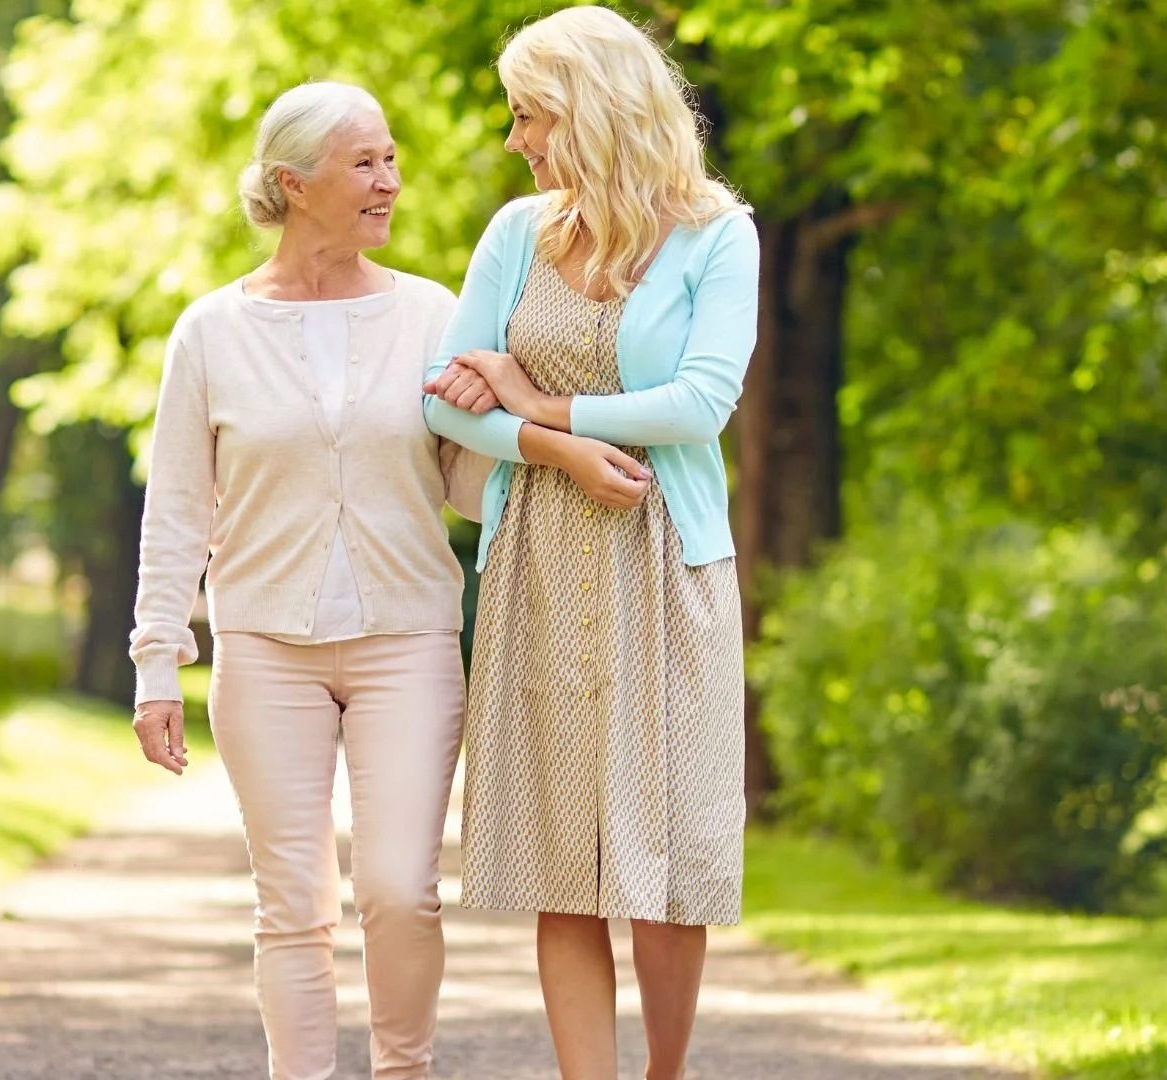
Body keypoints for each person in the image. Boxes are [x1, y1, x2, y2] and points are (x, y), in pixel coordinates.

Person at [422, 7, 760, 1079]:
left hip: (672, 568)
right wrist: (546, 446)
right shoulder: (518, 234)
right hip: (539, 566)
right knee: (564, 861)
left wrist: (541, 406)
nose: (516, 138)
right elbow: (445, 398)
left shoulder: (720, 234)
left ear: (598, 111)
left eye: (532, 114)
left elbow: (700, 404)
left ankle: (666, 1072)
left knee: (667, 857)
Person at [128, 81, 484, 1080]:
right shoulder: (210, 331)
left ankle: (403, 1070)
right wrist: (159, 660)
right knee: (292, 904)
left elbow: (467, 489)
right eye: (364, 163)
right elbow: (179, 512)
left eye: (390, 157)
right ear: (293, 183)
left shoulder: (431, 313)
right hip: (266, 650)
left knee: (400, 889)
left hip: (407, 638)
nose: (389, 182)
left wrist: (489, 409)